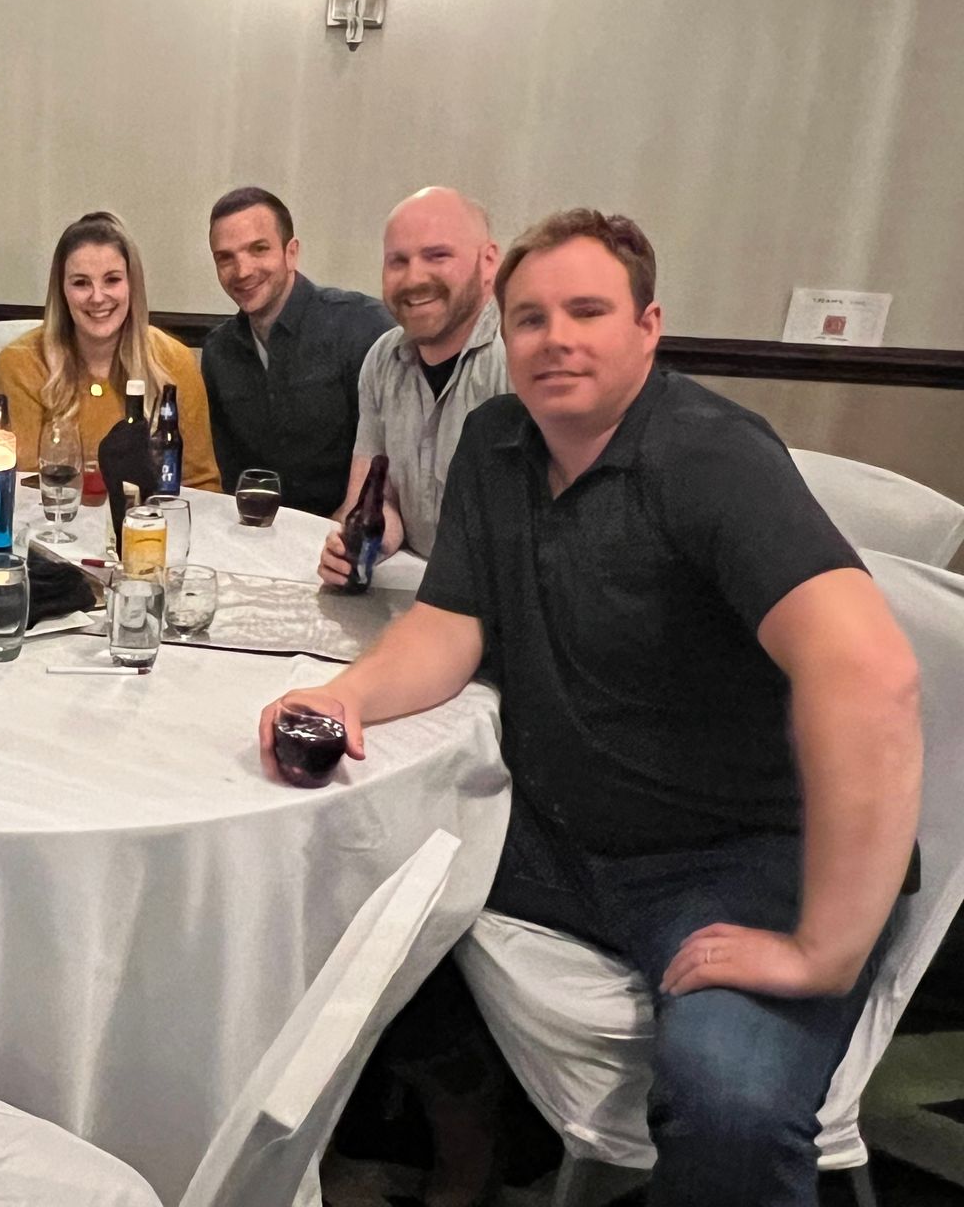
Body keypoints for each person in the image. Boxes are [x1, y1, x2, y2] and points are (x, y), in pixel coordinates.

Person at [261, 209, 922, 1206]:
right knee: (341, 878)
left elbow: (873, 675)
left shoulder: (710, 457)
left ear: (648, 326)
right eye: (530, 318)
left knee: (730, 1106)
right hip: (553, 836)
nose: (556, 337)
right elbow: (450, 625)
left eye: (587, 311)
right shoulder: (497, 441)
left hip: (731, 853)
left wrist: (824, 946)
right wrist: (346, 693)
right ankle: (471, 1149)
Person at [319, 186, 508, 583]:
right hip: (416, 595)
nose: (414, 278)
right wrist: (364, 545)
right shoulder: (382, 360)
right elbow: (376, 500)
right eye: (398, 261)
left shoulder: (520, 359)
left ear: (488, 261)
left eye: (437, 256)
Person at [201, 186, 394, 517]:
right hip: (254, 540)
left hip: (347, 537)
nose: (242, 270)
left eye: (258, 249)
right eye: (226, 258)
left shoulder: (360, 328)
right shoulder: (219, 352)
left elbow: (390, 458)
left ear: (291, 252)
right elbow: (228, 476)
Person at [0, 210, 219, 486]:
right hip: (55, 525)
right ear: (61, 290)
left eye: (112, 280)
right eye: (81, 283)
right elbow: (21, 490)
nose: (97, 297)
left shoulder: (176, 362)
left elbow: (202, 484)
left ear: (132, 285)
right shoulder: (20, 364)